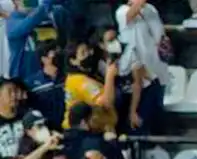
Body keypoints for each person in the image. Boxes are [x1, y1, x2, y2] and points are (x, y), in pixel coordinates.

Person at [115, 0, 169, 135]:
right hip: (135, 69)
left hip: (156, 71)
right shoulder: (121, 11)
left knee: (156, 117)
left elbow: (159, 33)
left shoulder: (151, 9)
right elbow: (130, 15)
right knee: (139, 122)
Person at [62, 40, 118, 133]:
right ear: (73, 61)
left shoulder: (83, 75)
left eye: (88, 50)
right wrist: (110, 75)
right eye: (83, 53)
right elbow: (106, 103)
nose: (88, 54)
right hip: (81, 130)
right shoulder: (79, 81)